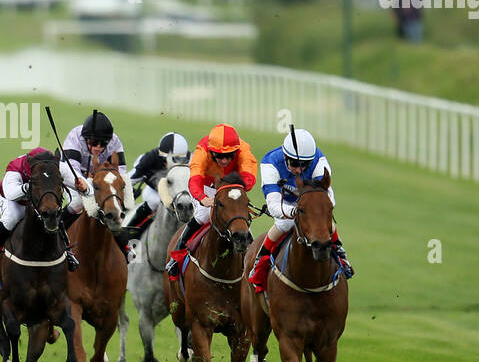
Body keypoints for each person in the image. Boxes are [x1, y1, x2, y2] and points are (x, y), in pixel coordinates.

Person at [247, 128, 354, 294]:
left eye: (305, 165)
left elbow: (327, 199)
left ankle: (341, 255)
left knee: (328, 226)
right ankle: (260, 261)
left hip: (312, 204)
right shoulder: (270, 163)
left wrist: (312, 212)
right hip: (287, 207)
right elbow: (274, 205)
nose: (299, 169)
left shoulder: (319, 162)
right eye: (295, 164)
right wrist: (296, 212)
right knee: (284, 225)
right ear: (285, 157)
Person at [165, 123, 259, 279]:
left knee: (240, 221)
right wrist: (203, 199)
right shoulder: (202, 150)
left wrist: (234, 190)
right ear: (211, 151)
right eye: (218, 155)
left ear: (236, 150)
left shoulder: (243, 149)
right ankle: (177, 257)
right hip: (206, 188)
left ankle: (252, 261)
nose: (223, 160)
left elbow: (249, 177)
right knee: (203, 216)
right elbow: (194, 180)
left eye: (229, 155)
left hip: (231, 186)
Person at [0, 147, 84, 273]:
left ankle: (68, 252)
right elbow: (11, 193)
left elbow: (83, 184)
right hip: (16, 201)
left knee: (55, 214)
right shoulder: (15, 168)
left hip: (41, 201)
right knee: (12, 217)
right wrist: (32, 186)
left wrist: (84, 188)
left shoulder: (56, 166)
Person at [60, 109, 133, 229]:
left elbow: (120, 172)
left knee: (118, 205)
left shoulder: (114, 141)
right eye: (94, 142)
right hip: (72, 176)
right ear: (86, 138)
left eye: (103, 143)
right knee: (78, 203)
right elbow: (72, 171)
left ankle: (124, 243)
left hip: (98, 180)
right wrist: (86, 183)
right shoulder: (75, 137)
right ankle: (58, 226)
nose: (98, 147)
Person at [122, 132, 191, 232]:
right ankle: (131, 229)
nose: (166, 163)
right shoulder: (149, 160)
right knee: (154, 201)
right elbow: (129, 179)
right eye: (164, 158)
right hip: (155, 191)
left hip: (180, 192)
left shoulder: (190, 160)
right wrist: (128, 192)